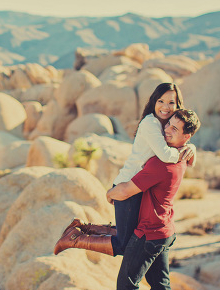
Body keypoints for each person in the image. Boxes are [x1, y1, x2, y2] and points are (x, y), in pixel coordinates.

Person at [103, 108, 200, 290]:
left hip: (148, 234)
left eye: (175, 129)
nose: (167, 130)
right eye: (168, 124)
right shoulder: (180, 157)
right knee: (160, 288)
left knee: (126, 284)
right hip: (165, 230)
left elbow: (125, 190)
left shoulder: (161, 163)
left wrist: (109, 193)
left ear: (186, 137)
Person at [54, 83, 195, 256]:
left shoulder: (167, 126)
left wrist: (190, 147)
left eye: (171, 102)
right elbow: (166, 155)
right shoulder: (150, 123)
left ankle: (83, 227)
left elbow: (184, 152)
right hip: (128, 185)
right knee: (124, 244)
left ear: (178, 105)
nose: (165, 107)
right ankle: (74, 239)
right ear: (154, 101)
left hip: (140, 187)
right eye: (161, 101)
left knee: (130, 237)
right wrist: (183, 152)